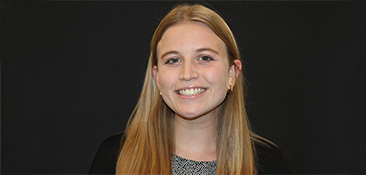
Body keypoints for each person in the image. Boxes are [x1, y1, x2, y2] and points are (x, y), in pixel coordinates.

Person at [89, 3, 290, 174]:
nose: (187, 74)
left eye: (204, 58)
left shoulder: (269, 164)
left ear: (232, 73)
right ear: (157, 77)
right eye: (173, 60)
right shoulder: (116, 158)